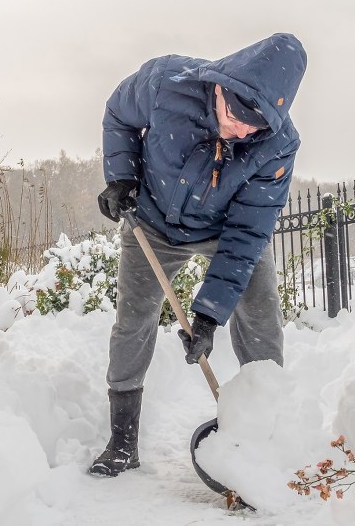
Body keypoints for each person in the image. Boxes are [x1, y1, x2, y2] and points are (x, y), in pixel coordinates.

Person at [88, 33, 306, 477]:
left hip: (224, 230)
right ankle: (122, 440)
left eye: (255, 125)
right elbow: (118, 114)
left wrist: (207, 316)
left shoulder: (277, 145)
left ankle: (265, 429)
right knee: (134, 318)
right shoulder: (166, 82)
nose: (242, 130)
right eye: (235, 116)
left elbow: (247, 233)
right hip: (152, 219)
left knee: (261, 314)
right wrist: (121, 179)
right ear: (223, 87)